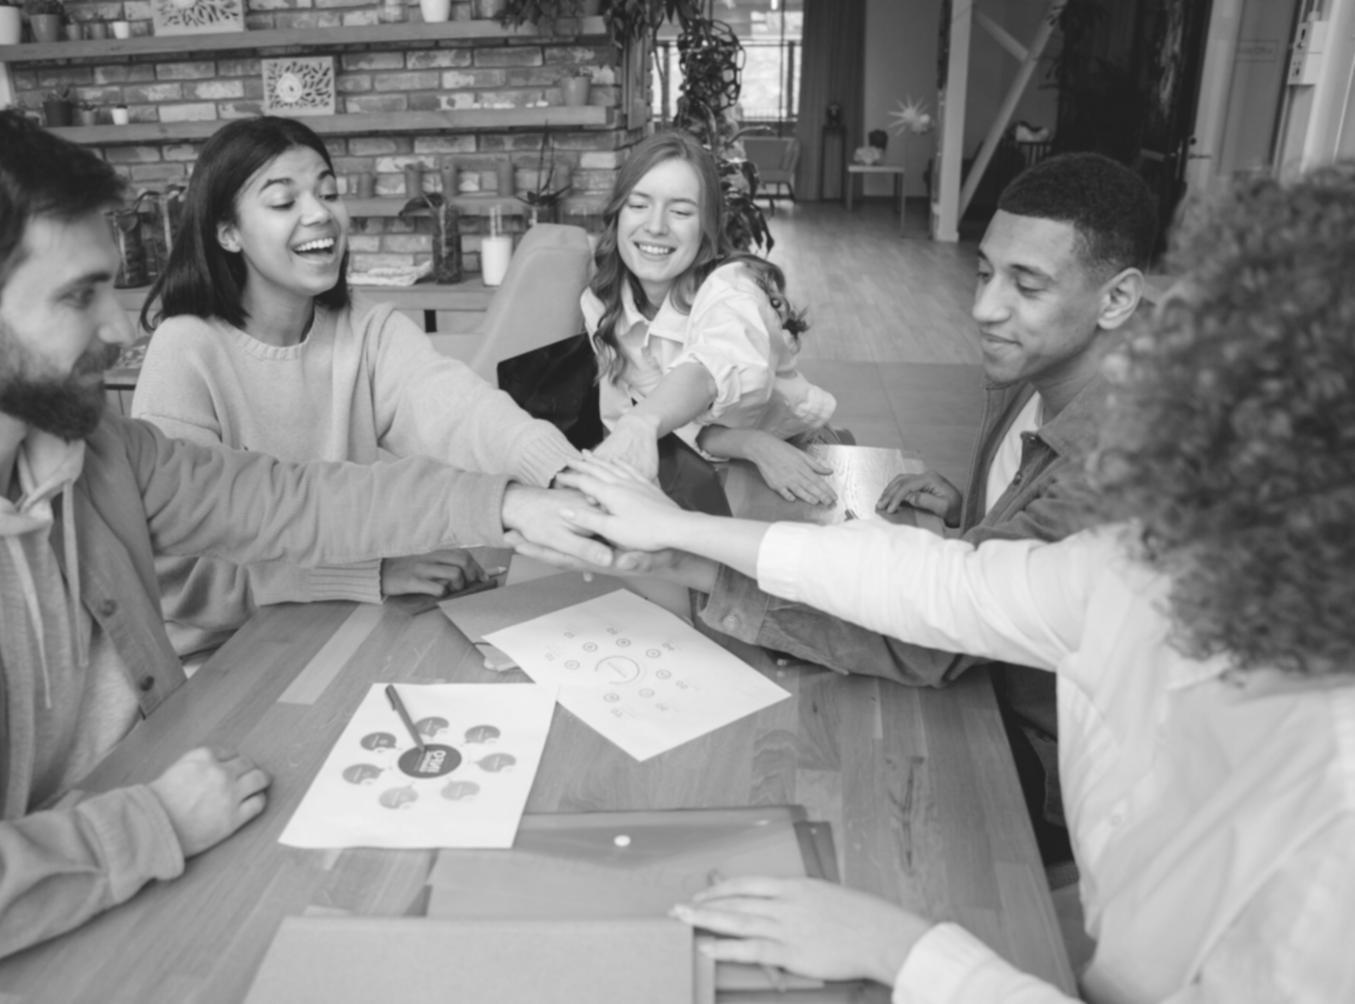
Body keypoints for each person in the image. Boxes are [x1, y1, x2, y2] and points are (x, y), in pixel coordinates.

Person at [545, 164, 1355, 1001]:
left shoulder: (1326, 826)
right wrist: (680, 537)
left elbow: (945, 614)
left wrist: (910, 952)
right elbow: (951, 582)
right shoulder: (1148, 555)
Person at [0, 111, 609, 1000]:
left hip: (150, 815)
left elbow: (289, 498)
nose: (121, 330)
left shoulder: (90, 445)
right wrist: (150, 823)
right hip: (14, 926)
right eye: (76, 297)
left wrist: (513, 501)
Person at [593, 152, 1156, 865]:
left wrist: (683, 548)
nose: (984, 308)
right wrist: (980, 515)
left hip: (1055, 781)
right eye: (983, 273)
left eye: (1027, 285)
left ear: (1116, 299)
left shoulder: (1121, 459)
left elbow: (948, 629)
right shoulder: (1043, 365)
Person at [131, 117, 582, 662]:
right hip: (221, 653)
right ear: (227, 232)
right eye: (282, 202)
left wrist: (566, 475)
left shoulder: (365, 329)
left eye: (328, 192)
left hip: (342, 619)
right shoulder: (186, 349)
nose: (319, 213)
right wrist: (369, 570)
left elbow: (461, 412)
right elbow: (178, 571)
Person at [583, 129, 839, 507]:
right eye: (638, 205)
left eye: (681, 211)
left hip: (795, 456)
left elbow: (711, 368)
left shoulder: (733, 288)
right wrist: (745, 443)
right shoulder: (600, 302)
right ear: (617, 214)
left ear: (707, 226)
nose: (655, 226)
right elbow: (630, 419)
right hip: (714, 459)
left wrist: (642, 423)